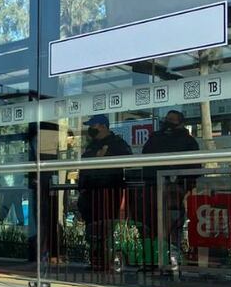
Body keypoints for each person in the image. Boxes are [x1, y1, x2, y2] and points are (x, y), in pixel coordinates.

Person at [141, 110, 200, 272]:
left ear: (181, 122)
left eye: (172, 120)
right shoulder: (156, 138)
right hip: (153, 188)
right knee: (152, 227)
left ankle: (171, 263)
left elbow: (195, 168)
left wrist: (187, 190)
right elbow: (145, 159)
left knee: (172, 228)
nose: (168, 122)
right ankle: (153, 261)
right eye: (167, 119)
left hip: (175, 190)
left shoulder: (188, 141)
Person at [77, 114, 132, 274]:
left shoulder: (118, 144)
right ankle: (95, 262)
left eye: (92, 125)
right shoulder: (91, 145)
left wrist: (103, 158)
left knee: (105, 227)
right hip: (89, 192)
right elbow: (84, 165)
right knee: (92, 229)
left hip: (108, 191)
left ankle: (106, 263)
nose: (90, 129)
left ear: (102, 126)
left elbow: (127, 162)